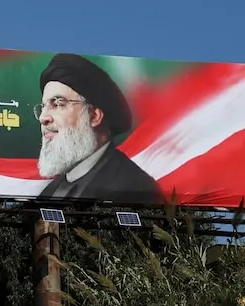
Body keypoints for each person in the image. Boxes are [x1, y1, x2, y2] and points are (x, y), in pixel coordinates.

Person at [35, 53, 162, 204]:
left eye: (58, 104)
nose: (43, 117)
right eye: (44, 106)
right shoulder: (51, 191)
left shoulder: (134, 188)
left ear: (94, 116)